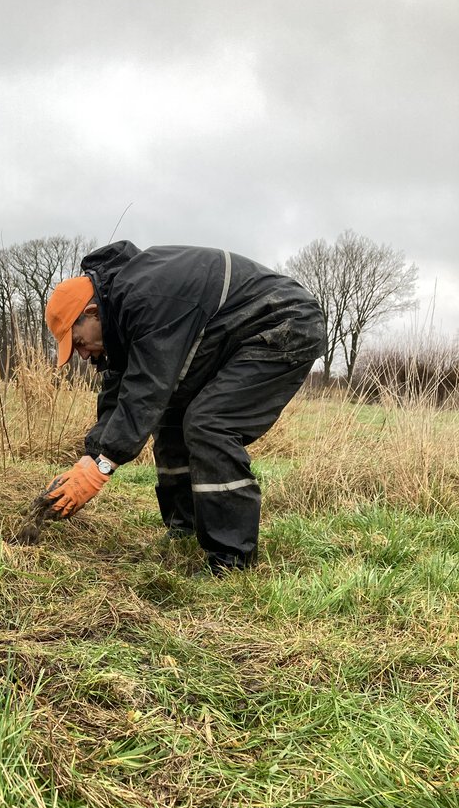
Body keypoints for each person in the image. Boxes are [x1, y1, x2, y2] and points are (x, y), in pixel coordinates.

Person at [41, 240, 326, 574]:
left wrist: (101, 468)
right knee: (172, 421)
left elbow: (147, 389)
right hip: (234, 336)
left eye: (78, 343)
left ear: (91, 313)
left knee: (209, 424)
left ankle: (232, 561)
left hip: (282, 323)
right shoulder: (121, 314)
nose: (84, 354)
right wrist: (89, 459)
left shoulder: (145, 296)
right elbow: (117, 398)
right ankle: (184, 529)